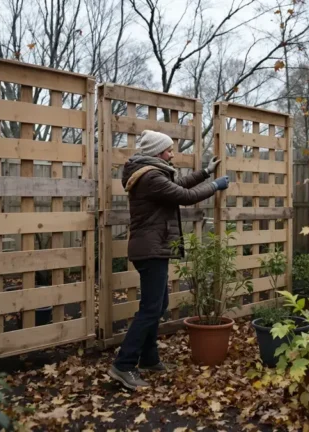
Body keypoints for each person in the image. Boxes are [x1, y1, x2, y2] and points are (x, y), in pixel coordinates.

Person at [108, 129, 228, 390]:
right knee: (151, 308)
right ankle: (123, 365)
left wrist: (206, 172)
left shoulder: (151, 173)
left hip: (152, 248)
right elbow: (184, 197)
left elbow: (179, 186)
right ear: (156, 152)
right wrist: (215, 186)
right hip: (151, 249)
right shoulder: (150, 177)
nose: (172, 154)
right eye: (169, 150)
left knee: (158, 305)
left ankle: (149, 359)